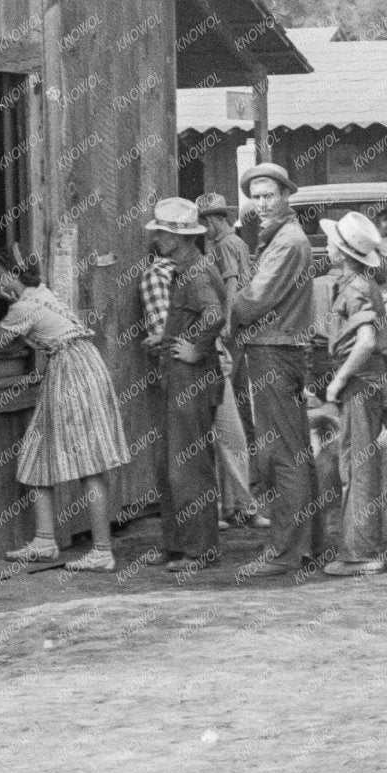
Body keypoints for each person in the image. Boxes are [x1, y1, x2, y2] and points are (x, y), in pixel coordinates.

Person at [0, 253, 130, 572]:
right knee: (37, 453)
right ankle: (44, 541)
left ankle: (102, 550)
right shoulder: (40, 292)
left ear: (14, 276)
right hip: (80, 364)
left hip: (72, 369)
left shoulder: (24, 306)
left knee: (90, 461)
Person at [228, 160, 317, 577]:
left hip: (273, 350)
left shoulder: (286, 242)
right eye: (256, 196)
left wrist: (220, 307)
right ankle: (310, 544)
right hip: (282, 349)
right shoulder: (281, 236)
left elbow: (253, 300)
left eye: (269, 195)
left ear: (286, 195)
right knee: (295, 452)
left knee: (282, 455)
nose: (261, 203)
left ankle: (285, 551)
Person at [143, 197, 227, 573]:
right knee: (169, 464)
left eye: (161, 232)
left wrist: (196, 348)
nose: (156, 238)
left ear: (178, 236)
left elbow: (214, 314)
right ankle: (178, 544)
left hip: (192, 379)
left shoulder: (193, 272)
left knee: (187, 466)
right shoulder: (186, 269)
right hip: (180, 378)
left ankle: (199, 550)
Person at [321, 211, 387, 577]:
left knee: (357, 466)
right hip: (369, 380)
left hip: (359, 383)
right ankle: (361, 546)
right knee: (357, 463)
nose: (327, 247)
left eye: (332, 242)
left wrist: (338, 381)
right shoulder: (358, 282)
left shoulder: (354, 287)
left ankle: (360, 552)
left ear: (343, 252)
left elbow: (365, 340)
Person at [198, 192, 265, 531]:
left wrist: (225, 323)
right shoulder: (236, 242)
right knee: (236, 415)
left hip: (232, 332)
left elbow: (233, 285)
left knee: (232, 416)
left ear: (212, 220)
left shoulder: (224, 244)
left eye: (204, 222)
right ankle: (237, 502)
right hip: (241, 330)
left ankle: (240, 501)